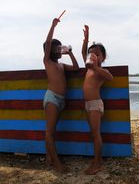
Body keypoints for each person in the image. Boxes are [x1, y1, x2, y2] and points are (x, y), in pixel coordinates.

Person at [43, 18, 79, 173]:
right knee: (50, 132)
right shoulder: (47, 62)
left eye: (60, 48)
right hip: (51, 98)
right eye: (56, 48)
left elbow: (77, 68)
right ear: (50, 50)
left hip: (61, 100)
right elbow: (48, 42)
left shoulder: (61, 65)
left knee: (51, 132)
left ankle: (48, 158)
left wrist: (69, 52)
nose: (58, 50)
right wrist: (53, 26)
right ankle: (57, 164)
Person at [82, 25, 113, 175]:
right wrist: (86, 39)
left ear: (103, 57)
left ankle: (97, 163)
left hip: (95, 104)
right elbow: (83, 52)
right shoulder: (89, 68)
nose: (93, 56)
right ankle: (96, 160)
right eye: (91, 54)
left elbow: (110, 77)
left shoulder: (100, 70)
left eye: (97, 54)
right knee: (92, 133)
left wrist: (96, 66)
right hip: (87, 105)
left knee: (96, 134)